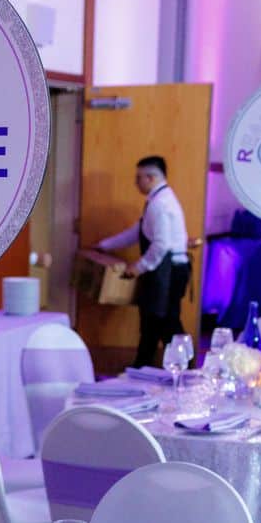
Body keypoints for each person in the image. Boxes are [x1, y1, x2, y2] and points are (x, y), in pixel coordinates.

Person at [91, 156, 191, 368]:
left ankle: (184, 373)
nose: (135, 183)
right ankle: (142, 368)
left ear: (151, 178)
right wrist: (104, 245)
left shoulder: (161, 204)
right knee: (154, 323)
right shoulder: (157, 201)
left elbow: (161, 245)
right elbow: (138, 232)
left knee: (164, 322)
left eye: (139, 178)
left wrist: (137, 268)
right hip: (165, 270)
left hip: (169, 273)